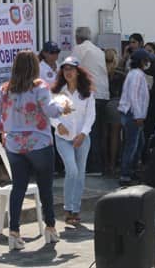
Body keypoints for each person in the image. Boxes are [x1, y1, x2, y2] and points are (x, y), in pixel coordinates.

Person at [0, 50, 72, 250]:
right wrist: (64, 107)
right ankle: (50, 228)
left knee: (18, 188)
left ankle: (14, 232)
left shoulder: (6, 89)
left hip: (15, 144)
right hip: (39, 142)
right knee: (45, 187)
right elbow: (50, 110)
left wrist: (3, 130)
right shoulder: (39, 86)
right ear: (34, 66)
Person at [51, 56, 95, 225]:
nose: (68, 72)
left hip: (82, 138)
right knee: (72, 170)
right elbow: (51, 112)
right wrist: (58, 124)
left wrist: (83, 134)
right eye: (65, 69)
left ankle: (75, 209)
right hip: (63, 138)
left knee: (80, 174)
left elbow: (91, 116)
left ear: (78, 71)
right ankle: (68, 208)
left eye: (71, 69)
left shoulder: (87, 93)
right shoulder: (57, 91)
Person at [72, 27, 110, 174]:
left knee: (88, 130)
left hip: (89, 95)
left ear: (77, 38)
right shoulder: (99, 51)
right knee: (99, 131)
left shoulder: (79, 49)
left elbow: (71, 69)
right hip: (103, 94)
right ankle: (101, 165)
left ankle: (92, 166)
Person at [118, 49, 151, 186]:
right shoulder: (137, 75)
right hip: (133, 114)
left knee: (138, 143)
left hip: (133, 114)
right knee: (132, 145)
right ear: (143, 61)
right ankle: (125, 173)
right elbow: (134, 96)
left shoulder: (134, 74)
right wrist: (138, 115)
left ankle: (131, 169)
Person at [103, 48, 126, 176]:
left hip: (105, 103)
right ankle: (113, 164)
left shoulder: (102, 73)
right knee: (115, 136)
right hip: (117, 104)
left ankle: (105, 164)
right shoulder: (121, 74)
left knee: (104, 135)